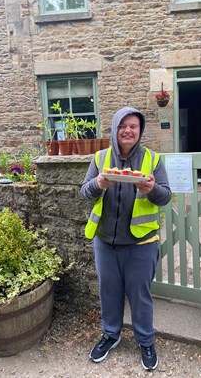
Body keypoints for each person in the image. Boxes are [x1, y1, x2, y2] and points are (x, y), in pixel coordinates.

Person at [81, 106, 171, 371]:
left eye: (134, 126)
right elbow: (85, 192)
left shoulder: (152, 160)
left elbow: (165, 196)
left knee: (140, 295)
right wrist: (98, 183)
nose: (128, 131)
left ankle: (145, 340)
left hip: (141, 243)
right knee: (108, 292)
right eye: (123, 125)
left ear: (140, 131)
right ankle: (111, 334)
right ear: (115, 129)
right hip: (105, 242)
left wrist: (152, 188)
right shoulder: (100, 158)